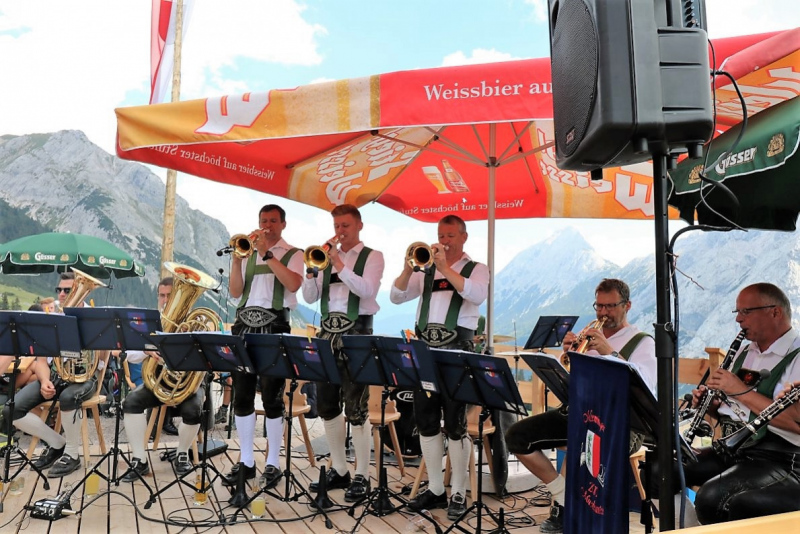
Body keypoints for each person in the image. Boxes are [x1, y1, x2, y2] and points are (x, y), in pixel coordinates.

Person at [504, 278, 656, 533]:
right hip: (582, 413)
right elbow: (573, 383)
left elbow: (647, 386)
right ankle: (564, 498)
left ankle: (574, 513)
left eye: (610, 306)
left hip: (623, 424)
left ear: (627, 306)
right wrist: (571, 354)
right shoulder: (589, 335)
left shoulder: (642, 342)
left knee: (585, 447)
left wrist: (610, 353)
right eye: (599, 306)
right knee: (517, 436)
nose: (603, 313)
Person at [389, 214, 490, 520]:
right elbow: (395, 297)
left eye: (449, 235)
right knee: (427, 421)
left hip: (458, 353)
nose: (443, 241)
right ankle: (435, 489)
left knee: (457, 424)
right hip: (426, 353)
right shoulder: (425, 270)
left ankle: (458, 491)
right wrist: (409, 269)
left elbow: (477, 295)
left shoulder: (478, 269)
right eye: (440, 235)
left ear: (463, 237)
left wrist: (446, 268)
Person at [679, 283, 800, 524]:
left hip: (780, 456)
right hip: (735, 447)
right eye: (737, 313)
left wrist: (739, 390)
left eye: (746, 312)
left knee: (714, 497)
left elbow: (796, 423)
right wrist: (711, 405)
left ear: (775, 312)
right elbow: (732, 409)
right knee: (661, 472)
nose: (739, 320)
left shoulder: (796, 355)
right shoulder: (746, 351)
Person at [223, 203, 304, 507]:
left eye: (272, 221)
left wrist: (268, 254)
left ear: (283, 224)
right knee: (242, 396)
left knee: (272, 396)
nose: (267, 225)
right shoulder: (247, 252)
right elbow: (234, 292)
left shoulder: (293, 253)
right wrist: (236, 261)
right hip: (244, 325)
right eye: (263, 221)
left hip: (275, 325)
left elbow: (294, 283)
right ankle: (246, 461)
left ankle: (272, 462)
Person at [302, 204, 384, 503]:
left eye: (346, 226)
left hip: (357, 334)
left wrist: (338, 262)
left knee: (357, 407)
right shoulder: (323, 260)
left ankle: (362, 472)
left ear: (359, 226)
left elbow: (366, 291)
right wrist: (311, 273)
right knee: (325, 403)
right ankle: (339, 467)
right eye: (337, 225)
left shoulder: (373, 257)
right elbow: (309, 297)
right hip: (326, 334)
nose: (340, 231)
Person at [1, 272, 101, 478]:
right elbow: (40, 361)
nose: (62, 294)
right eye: (60, 290)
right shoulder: (52, 319)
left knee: (67, 397)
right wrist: (45, 380)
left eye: (68, 290)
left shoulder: (93, 318)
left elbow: (103, 355)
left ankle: (72, 455)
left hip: (85, 378)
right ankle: (58, 444)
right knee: (12, 409)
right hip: (56, 376)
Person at [118, 276, 206, 482]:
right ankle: (139, 460)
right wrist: (147, 351)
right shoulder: (149, 322)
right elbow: (129, 354)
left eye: (171, 295)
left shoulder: (195, 323)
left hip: (185, 386)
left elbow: (206, 359)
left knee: (194, 410)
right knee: (130, 402)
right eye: (162, 295)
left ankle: (182, 452)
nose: (166, 300)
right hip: (156, 383)